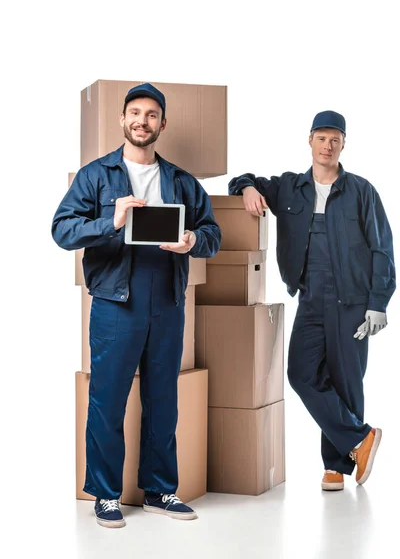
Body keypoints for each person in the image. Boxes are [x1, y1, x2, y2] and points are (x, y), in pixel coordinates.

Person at [52, 83, 221, 527]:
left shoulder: (182, 181)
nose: (141, 121)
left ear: (162, 124)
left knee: (164, 399)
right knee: (107, 400)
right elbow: (62, 229)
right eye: (134, 113)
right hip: (114, 301)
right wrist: (112, 220)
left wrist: (192, 241)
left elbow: (213, 234)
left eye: (151, 115)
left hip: (167, 297)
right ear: (122, 119)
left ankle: (161, 490)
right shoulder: (95, 175)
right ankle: (105, 496)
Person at [229, 110, 395, 491]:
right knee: (302, 373)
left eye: (335, 139)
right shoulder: (289, 188)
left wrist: (378, 302)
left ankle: (336, 466)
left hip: (352, 300)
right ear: (310, 140)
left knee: (346, 381)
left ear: (343, 145)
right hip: (310, 297)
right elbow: (242, 178)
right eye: (322, 137)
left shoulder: (361, 190)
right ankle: (359, 439)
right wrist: (248, 189)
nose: (328, 145)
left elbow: (382, 248)